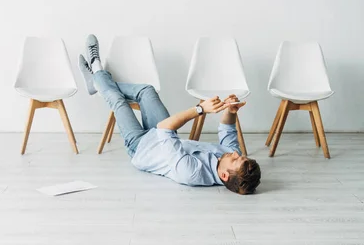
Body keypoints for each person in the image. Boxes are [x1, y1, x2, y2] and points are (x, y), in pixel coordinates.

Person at [79, 35, 261, 194]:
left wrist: (200, 109)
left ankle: (97, 71)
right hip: (162, 134)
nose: (236, 154)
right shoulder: (231, 158)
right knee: (147, 91)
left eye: (236, 159)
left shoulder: (191, 173)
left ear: (223, 175)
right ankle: (97, 82)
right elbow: (228, 130)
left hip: (141, 147)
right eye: (241, 156)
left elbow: (164, 127)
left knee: (117, 100)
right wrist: (231, 111)